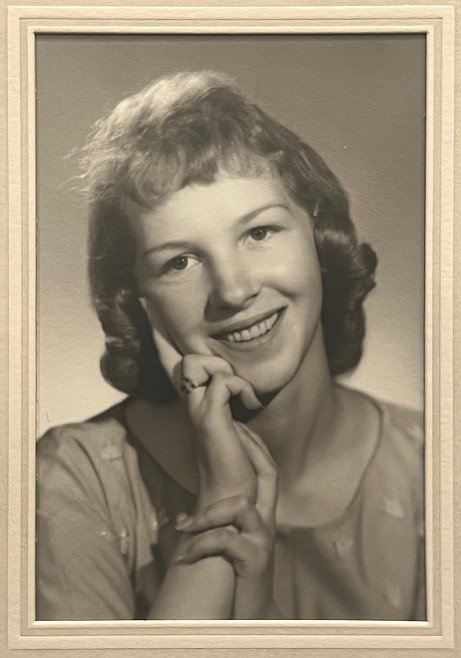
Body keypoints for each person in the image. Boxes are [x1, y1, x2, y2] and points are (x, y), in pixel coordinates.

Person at [36, 70, 425, 621]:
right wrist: (222, 505)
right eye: (180, 262)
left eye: (259, 233)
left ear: (320, 240)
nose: (234, 291)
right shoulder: (74, 479)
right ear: (139, 301)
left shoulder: (435, 467)